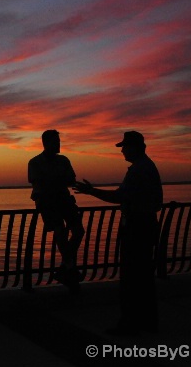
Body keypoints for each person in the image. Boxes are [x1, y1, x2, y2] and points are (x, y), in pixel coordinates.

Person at [75, 131, 163, 336]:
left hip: (137, 226)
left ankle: (130, 324)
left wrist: (92, 192)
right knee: (143, 279)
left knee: (132, 278)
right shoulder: (145, 168)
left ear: (136, 147)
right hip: (144, 224)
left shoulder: (139, 170)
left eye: (125, 146)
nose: (122, 150)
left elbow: (120, 196)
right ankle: (147, 323)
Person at [28, 130, 85, 291]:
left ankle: (65, 267)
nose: (59, 144)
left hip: (64, 199)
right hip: (47, 202)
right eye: (55, 141)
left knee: (79, 231)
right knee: (60, 231)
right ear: (46, 143)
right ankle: (69, 267)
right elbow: (39, 182)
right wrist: (57, 180)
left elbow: (70, 179)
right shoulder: (35, 162)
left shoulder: (63, 160)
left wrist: (53, 180)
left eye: (59, 141)